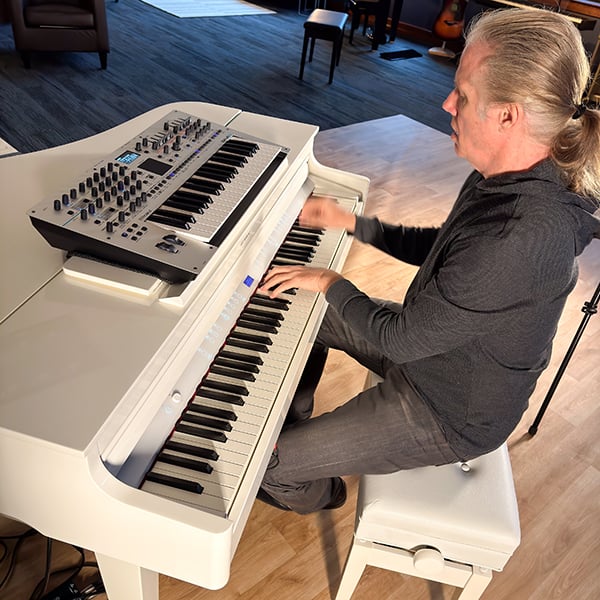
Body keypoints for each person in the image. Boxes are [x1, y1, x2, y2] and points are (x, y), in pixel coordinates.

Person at [256, 8, 600, 514]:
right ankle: (297, 415)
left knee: (265, 466)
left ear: (509, 115)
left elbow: (401, 339)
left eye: (462, 94)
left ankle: (322, 490)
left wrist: (330, 280)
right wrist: (357, 224)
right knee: (300, 304)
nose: (446, 102)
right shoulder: (504, 175)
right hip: (436, 353)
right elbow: (445, 248)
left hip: (449, 410)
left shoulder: (519, 236)